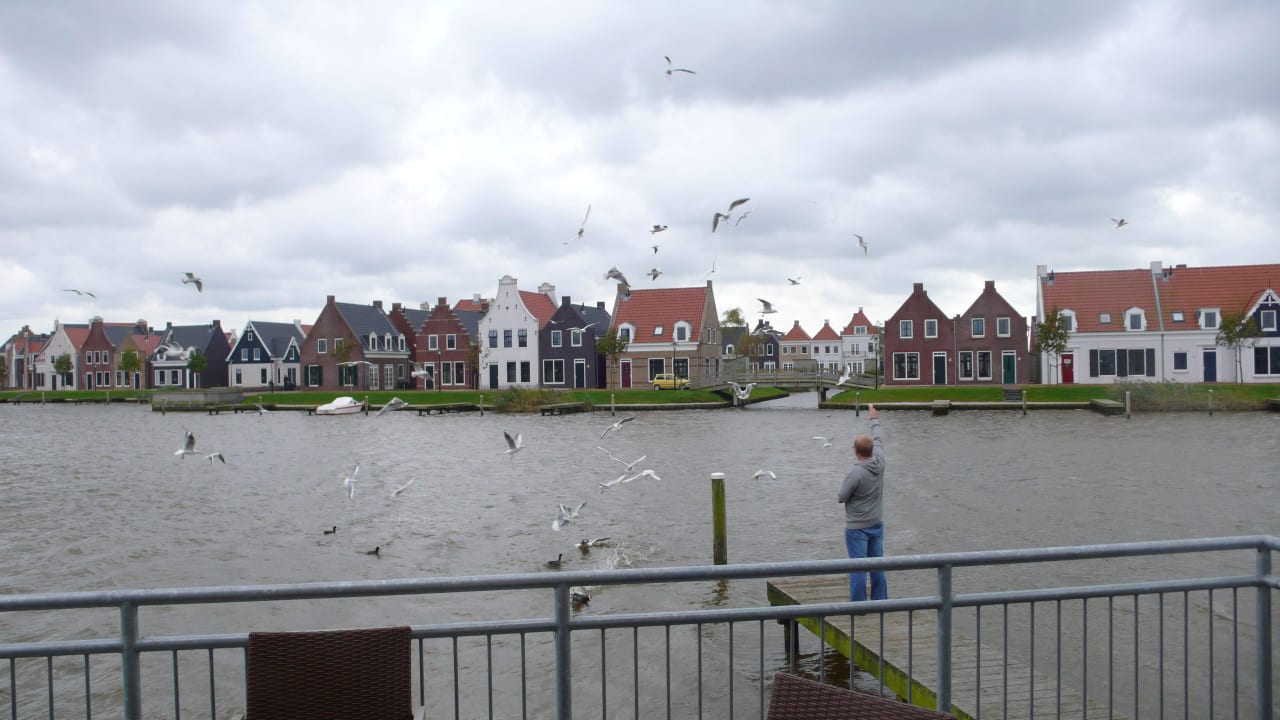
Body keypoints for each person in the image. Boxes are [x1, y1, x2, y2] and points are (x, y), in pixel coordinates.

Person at [838, 404, 887, 601]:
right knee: (877, 565)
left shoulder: (855, 473)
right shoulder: (880, 462)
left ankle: (858, 606)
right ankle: (880, 601)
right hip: (876, 523)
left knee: (858, 568)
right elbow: (878, 439)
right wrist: (874, 419)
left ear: (856, 451)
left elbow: (841, 497)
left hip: (857, 527)